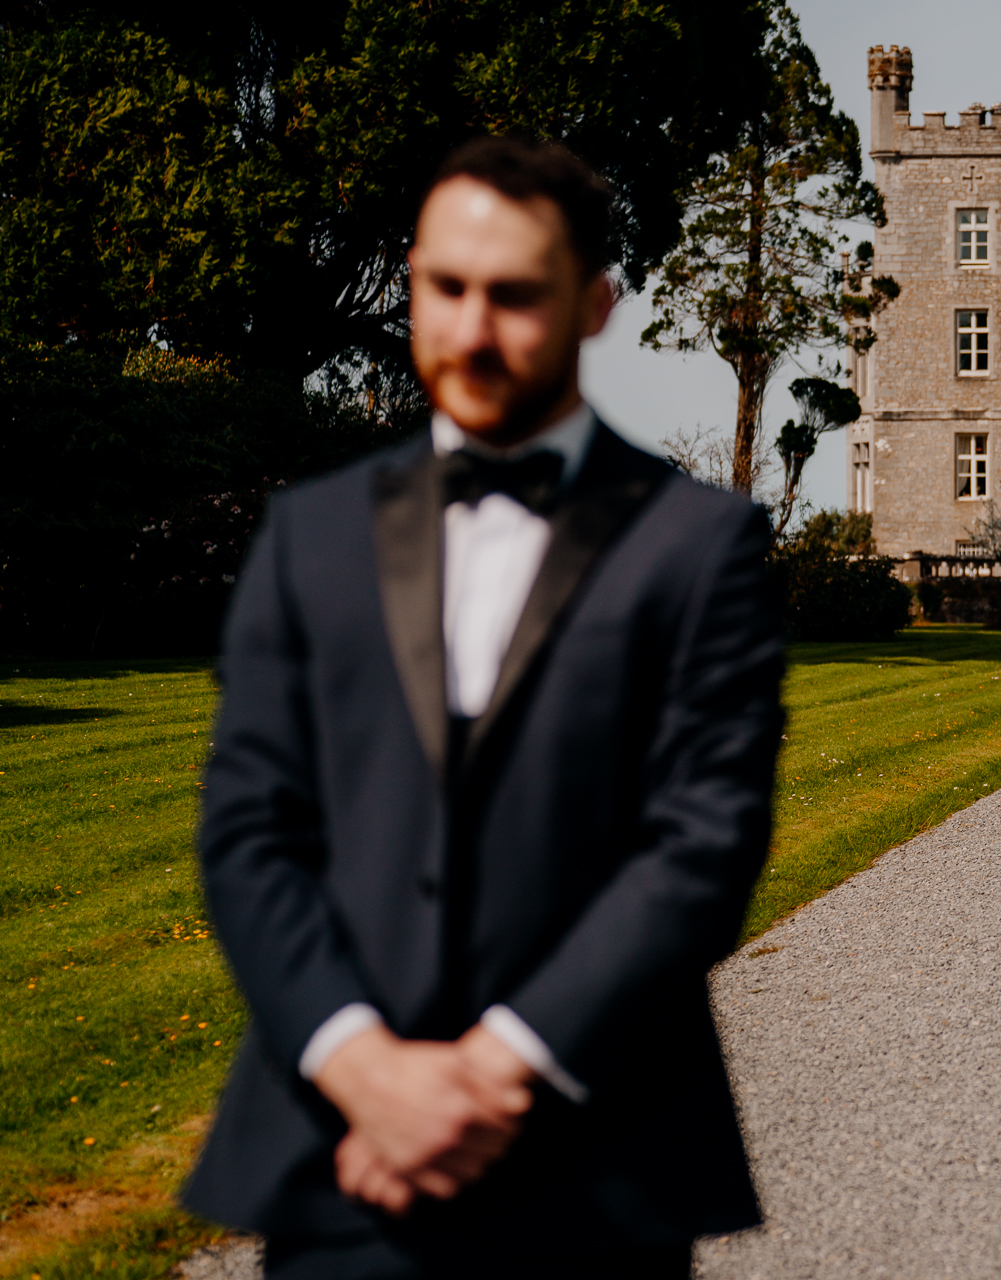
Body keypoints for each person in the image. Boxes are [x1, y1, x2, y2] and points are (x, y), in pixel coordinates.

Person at [181, 135, 783, 1279]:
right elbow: (251, 829)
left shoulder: (700, 546)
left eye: (514, 296)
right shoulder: (309, 535)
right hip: (345, 1155)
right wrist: (367, 1070)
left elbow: (704, 842)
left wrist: (499, 1066)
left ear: (594, 306)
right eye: (446, 289)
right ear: (412, 280)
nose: (470, 330)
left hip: (594, 1155)